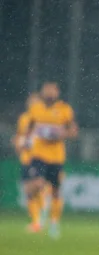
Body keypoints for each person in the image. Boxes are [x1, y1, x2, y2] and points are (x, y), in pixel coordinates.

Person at [26, 82, 78, 239]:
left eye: (52, 90)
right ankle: (42, 209)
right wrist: (28, 139)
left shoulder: (64, 110)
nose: (49, 93)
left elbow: (73, 131)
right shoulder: (36, 108)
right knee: (36, 184)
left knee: (55, 191)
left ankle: (54, 222)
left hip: (56, 156)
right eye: (46, 90)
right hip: (39, 154)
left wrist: (61, 134)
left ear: (57, 92)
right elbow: (29, 129)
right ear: (42, 92)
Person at [11, 93, 43, 232]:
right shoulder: (24, 118)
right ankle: (36, 222)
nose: (32, 105)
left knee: (38, 185)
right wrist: (18, 144)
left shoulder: (42, 119)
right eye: (30, 103)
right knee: (28, 190)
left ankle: (42, 213)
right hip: (26, 158)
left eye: (35, 103)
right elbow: (20, 136)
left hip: (39, 157)